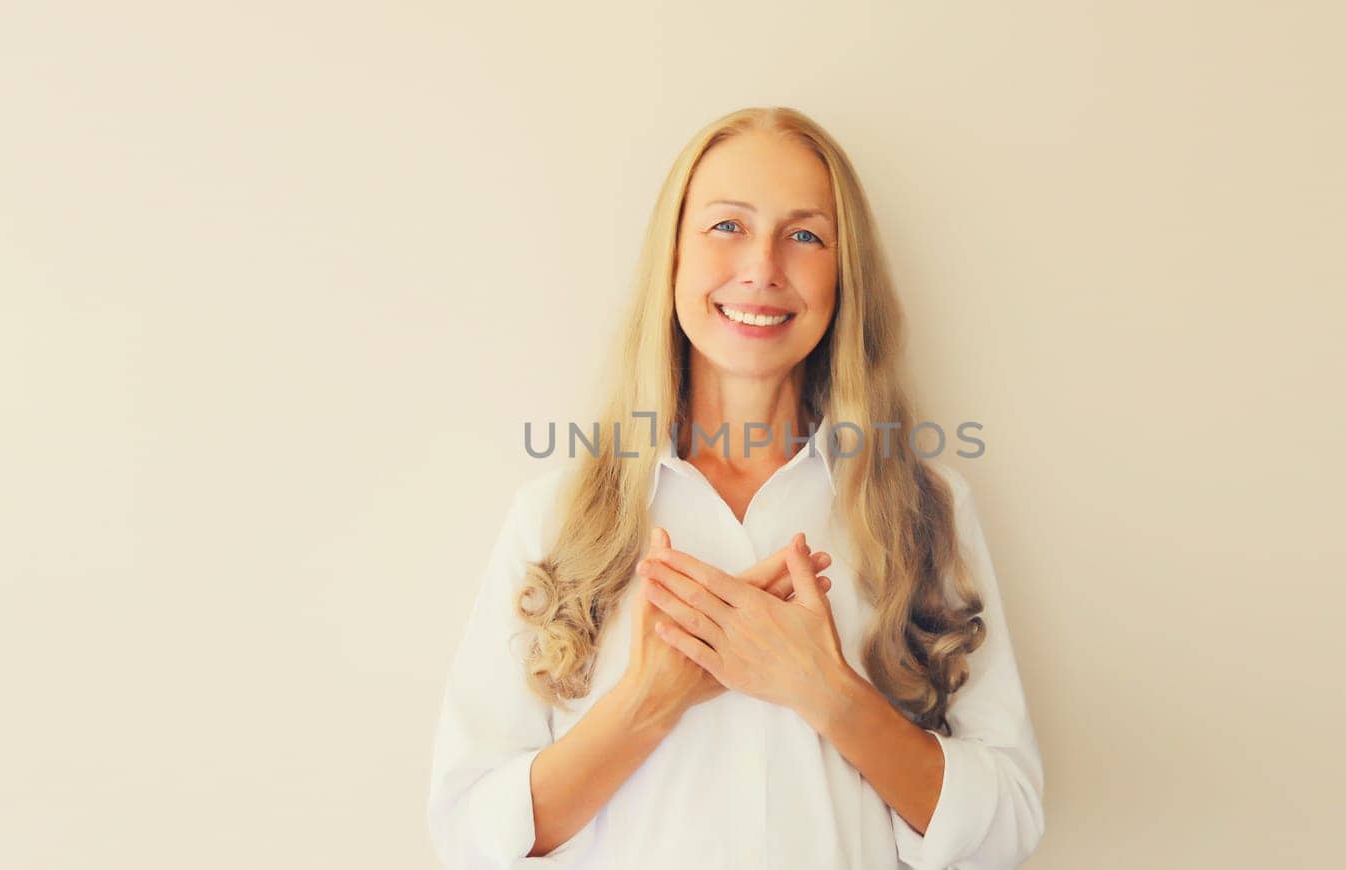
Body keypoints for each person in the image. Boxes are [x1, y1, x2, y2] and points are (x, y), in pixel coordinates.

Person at [426, 106, 1044, 869]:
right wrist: (649, 701)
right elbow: (467, 832)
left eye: (806, 235)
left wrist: (828, 694)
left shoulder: (923, 510)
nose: (762, 268)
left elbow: (1009, 823)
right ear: (674, 257)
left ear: (844, 274)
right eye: (727, 226)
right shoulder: (556, 516)